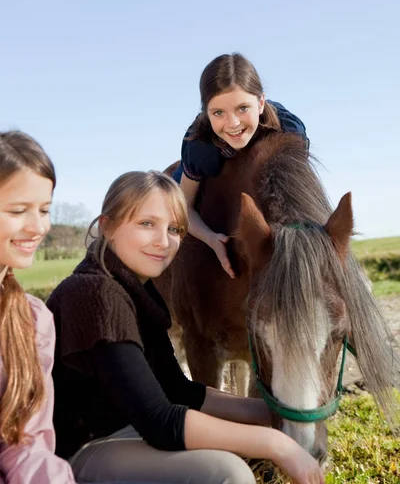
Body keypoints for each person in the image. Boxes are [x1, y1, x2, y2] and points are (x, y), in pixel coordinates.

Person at [47, 170, 324, 484]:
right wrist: (278, 444)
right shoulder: (95, 294)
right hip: (83, 448)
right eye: (146, 224)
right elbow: (159, 422)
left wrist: (274, 413)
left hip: (126, 430)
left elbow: (177, 390)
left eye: (175, 229)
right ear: (106, 226)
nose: (164, 242)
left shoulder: (135, 290)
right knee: (227, 474)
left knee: (233, 448)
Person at [172, 52, 309, 278]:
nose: (233, 123)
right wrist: (210, 238)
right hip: (209, 157)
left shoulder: (288, 130)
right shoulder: (201, 146)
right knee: (166, 205)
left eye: (243, 108)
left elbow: (298, 194)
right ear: (206, 112)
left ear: (261, 102)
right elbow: (183, 206)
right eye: (218, 113)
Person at [0, 131, 75, 483]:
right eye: (18, 211)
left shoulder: (33, 320)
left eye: (44, 210)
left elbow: (26, 446)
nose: (38, 227)